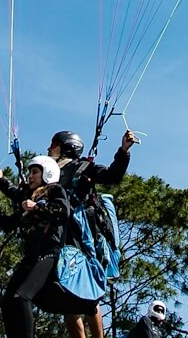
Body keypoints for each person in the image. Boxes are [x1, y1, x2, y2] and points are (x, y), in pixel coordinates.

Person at [0, 155, 98, 338]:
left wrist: (36, 207)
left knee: (22, 297)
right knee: (8, 302)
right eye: (29, 172)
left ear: (47, 173)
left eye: (34, 172)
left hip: (49, 255)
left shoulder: (56, 190)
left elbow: (62, 211)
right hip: (31, 258)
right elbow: (8, 224)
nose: (30, 176)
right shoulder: (28, 201)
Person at [50, 128, 138, 338]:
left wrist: (123, 150)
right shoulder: (48, 173)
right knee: (67, 299)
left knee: (89, 298)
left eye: (53, 144)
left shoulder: (84, 168)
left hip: (84, 236)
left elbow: (112, 176)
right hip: (60, 237)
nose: (48, 148)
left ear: (65, 148)